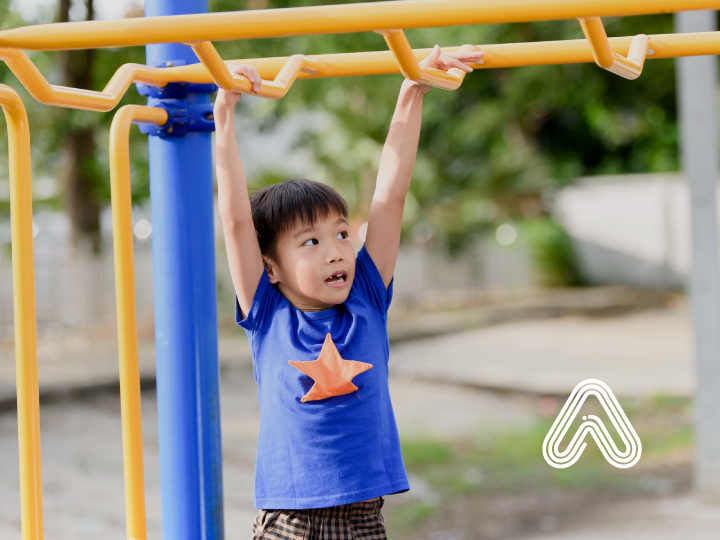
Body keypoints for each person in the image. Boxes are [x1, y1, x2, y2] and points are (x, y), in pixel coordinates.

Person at [214, 44, 484, 540]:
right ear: (270, 266)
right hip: (288, 520)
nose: (336, 251)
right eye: (311, 242)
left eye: (341, 234)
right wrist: (225, 112)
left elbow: (390, 195)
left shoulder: (365, 296)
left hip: (362, 520)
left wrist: (412, 92)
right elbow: (234, 222)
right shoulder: (268, 313)